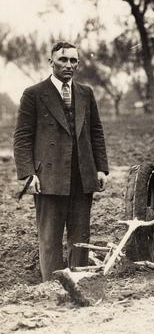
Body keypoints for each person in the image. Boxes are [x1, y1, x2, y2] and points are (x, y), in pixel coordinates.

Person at [13, 41, 109, 281]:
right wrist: (28, 174)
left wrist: (101, 169)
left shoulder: (85, 93)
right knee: (49, 238)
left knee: (80, 237)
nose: (69, 65)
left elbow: (96, 131)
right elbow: (22, 137)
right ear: (51, 62)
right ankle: (52, 287)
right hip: (49, 177)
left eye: (73, 61)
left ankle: (79, 283)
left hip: (81, 175)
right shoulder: (34, 94)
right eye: (63, 60)